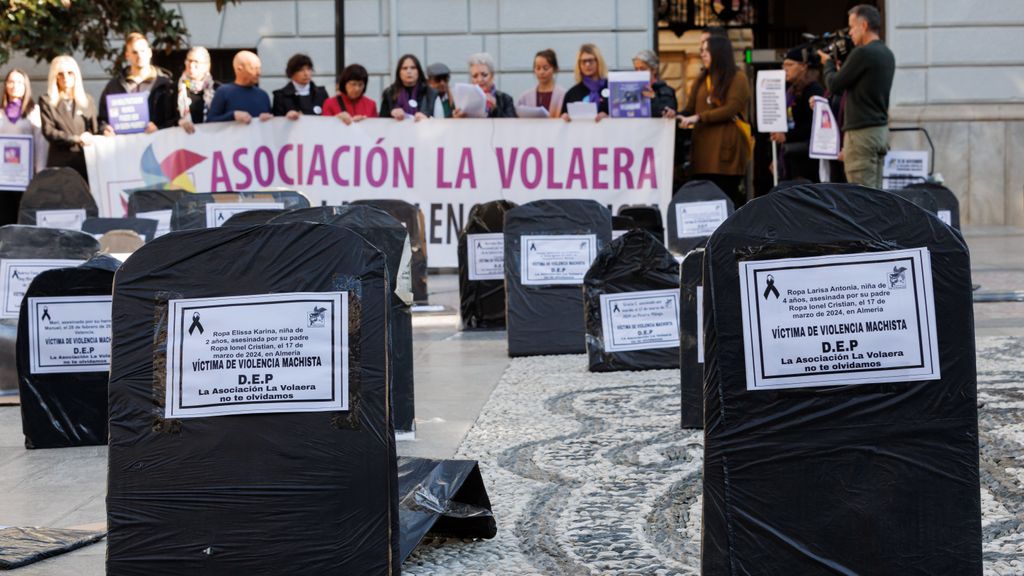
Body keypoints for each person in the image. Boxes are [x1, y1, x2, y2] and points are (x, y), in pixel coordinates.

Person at [819, 4, 895, 189]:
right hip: (879, 132)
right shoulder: (887, 53)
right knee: (876, 194)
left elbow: (834, 85)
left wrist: (828, 64)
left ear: (864, 25)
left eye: (852, 26)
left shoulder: (862, 53)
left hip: (861, 134)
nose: (850, 33)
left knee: (861, 197)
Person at [679, 35, 752, 207]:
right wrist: (675, 114)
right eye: (701, 51)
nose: (702, 54)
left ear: (719, 52)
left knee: (725, 199)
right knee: (704, 202)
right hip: (702, 153)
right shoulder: (701, 79)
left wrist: (699, 117)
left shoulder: (737, 78)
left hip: (725, 153)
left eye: (706, 51)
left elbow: (731, 108)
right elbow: (690, 108)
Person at [97, 32, 177, 135]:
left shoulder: (166, 85)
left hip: (158, 146)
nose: (139, 56)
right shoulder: (114, 86)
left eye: (143, 51)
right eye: (134, 52)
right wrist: (105, 129)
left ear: (150, 52)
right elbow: (102, 120)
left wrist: (159, 128)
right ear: (127, 55)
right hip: (124, 147)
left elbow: (174, 120)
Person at [770, 44, 825, 182]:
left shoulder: (814, 89)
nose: (784, 69)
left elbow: (813, 125)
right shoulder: (790, 90)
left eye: (789, 65)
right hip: (791, 155)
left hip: (807, 158)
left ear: (803, 66)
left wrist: (787, 136)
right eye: (783, 65)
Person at [38, 55, 99, 180]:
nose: (65, 77)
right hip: (60, 163)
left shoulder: (87, 100)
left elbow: (95, 129)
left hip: (85, 163)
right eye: (60, 74)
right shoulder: (47, 100)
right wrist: (75, 139)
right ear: (54, 77)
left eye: (70, 73)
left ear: (76, 75)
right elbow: (49, 131)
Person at [206, 51, 273, 125]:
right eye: (253, 68)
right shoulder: (223, 92)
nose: (258, 73)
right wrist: (233, 115)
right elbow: (210, 122)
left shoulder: (263, 95)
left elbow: (273, 124)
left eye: (259, 68)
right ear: (239, 69)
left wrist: (269, 119)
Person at [1, 68, 48, 173]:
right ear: (6, 85)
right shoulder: (1, 112)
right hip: (3, 173)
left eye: (19, 82)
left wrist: (40, 171)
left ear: (25, 86)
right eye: (11, 82)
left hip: (26, 171)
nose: (15, 86)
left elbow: (40, 144)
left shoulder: (34, 111)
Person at [379, 54, 442, 121]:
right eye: (404, 68)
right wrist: (392, 114)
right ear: (399, 72)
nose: (409, 71)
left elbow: (440, 121)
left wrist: (426, 120)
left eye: (413, 68)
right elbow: (382, 122)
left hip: (424, 131)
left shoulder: (431, 93)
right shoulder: (389, 94)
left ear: (419, 71)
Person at [454, 53, 516, 118]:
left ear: (492, 76)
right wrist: (457, 119)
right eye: (475, 76)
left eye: (484, 75)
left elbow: (512, 125)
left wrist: (496, 109)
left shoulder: (505, 99)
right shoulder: (463, 100)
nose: (480, 79)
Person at [561, 43, 609, 121]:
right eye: (583, 61)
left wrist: (608, 117)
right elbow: (563, 116)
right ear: (579, 65)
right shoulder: (572, 93)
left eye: (590, 60)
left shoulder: (611, 88)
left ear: (598, 61)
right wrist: (565, 117)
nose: (587, 64)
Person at [177, 47, 220, 132]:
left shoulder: (217, 89)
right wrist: (179, 122)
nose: (191, 65)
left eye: (196, 62)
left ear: (207, 66)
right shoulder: (176, 88)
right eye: (189, 61)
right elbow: (167, 119)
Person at [272, 53, 329, 118]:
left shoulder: (321, 93)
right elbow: (277, 122)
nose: (306, 73)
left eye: (308, 69)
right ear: (291, 73)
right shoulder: (281, 96)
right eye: (301, 70)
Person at [516, 49, 565, 118]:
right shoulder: (525, 97)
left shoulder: (563, 95)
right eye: (538, 68)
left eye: (545, 68)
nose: (541, 72)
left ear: (555, 69)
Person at [632, 49, 677, 118]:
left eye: (643, 69)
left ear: (654, 70)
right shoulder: (633, 90)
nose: (639, 73)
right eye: (636, 69)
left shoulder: (665, 91)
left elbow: (667, 112)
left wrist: (653, 98)